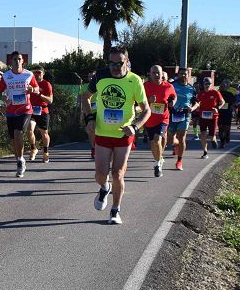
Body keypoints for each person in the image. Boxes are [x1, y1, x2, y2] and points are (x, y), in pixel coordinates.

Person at [82, 47, 151, 224]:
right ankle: (105, 188)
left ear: (127, 61)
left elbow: (146, 110)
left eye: (119, 63)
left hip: (124, 134)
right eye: (111, 63)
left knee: (118, 173)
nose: (114, 67)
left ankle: (115, 211)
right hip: (103, 132)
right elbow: (85, 97)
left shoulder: (134, 80)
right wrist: (90, 118)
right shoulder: (100, 76)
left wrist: (135, 127)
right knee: (100, 175)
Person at [0, 52, 39, 177]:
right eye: (14, 59)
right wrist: (4, 98)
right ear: (11, 62)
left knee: (18, 132)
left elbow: (36, 89)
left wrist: (33, 89)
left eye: (19, 59)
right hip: (11, 110)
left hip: (25, 109)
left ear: (22, 61)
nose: (17, 61)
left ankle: (20, 160)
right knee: (13, 140)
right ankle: (19, 161)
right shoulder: (6, 76)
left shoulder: (28, 74)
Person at [143, 65, 176, 177]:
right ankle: (159, 158)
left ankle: (158, 165)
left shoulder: (168, 86)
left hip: (163, 118)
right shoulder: (145, 86)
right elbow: (139, 102)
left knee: (157, 139)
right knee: (153, 143)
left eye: (158, 73)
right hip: (149, 118)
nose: (156, 75)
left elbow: (173, 96)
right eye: (154, 73)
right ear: (150, 74)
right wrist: (148, 100)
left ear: (162, 74)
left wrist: (173, 102)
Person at [167, 68, 197, 171]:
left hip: (185, 114)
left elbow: (196, 102)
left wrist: (192, 108)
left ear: (187, 75)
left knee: (182, 137)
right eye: (181, 74)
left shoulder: (191, 88)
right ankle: (176, 145)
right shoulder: (172, 85)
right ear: (178, 74)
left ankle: (179, 161)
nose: (183, 75)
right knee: (170, 137)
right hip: (173, 114)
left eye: (185, 74)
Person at [28, 67, 55, 163]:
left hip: (42, 111)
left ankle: (45, 152)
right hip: (31, 110)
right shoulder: (30, 83)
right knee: (29, 129)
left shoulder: (46, 84)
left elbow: (50, 100)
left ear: (43, 74)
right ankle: (33, 148)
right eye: (35, 73)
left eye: (39, 73)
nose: (37, 74)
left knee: (44, 133)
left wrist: (39, 94)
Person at [196, 77, 225, 159]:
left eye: (208, 84)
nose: (207, 85)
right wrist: (197, 107)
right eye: (205, 84)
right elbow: (197, 102)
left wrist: (217, 108)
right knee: (203, 134)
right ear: (203, 84)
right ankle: (205, 152)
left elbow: (223, 102)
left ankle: (213, 140)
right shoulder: (201, 93)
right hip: (203, 116)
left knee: (211, 136)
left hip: (213, 117)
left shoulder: (215, 92)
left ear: (211, 84)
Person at [218, 79, 236, 147]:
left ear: (226, 87)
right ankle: (222, 142)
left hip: (227, 112)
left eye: (224, 86)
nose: (222, 88)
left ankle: (227, 136)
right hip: (219, 113)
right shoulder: (217, 93)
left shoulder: (230, 94)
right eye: (221, 86)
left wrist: (232, 106)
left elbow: (234, 102)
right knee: (220, 128)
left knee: (226, 128)